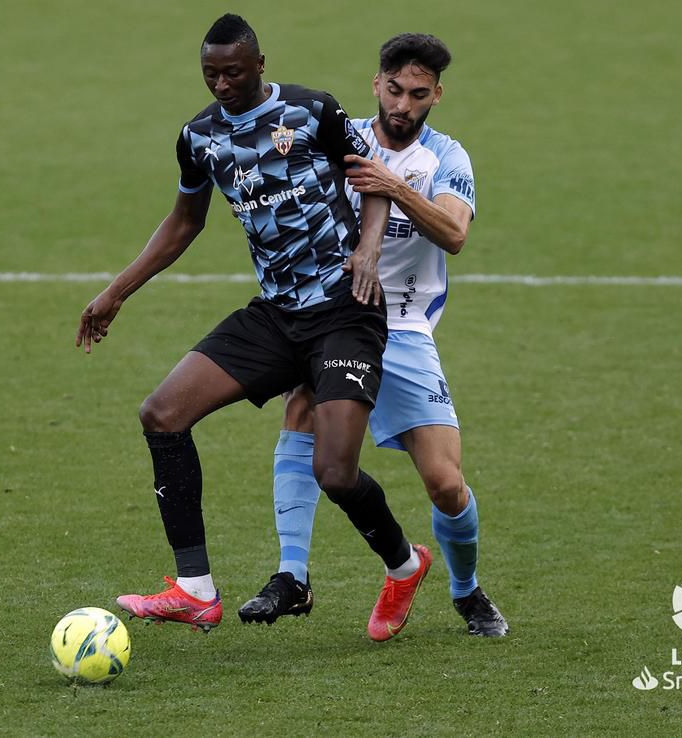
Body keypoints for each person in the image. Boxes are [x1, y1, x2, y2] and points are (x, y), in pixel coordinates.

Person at [76, 14, 431, 641]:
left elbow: (373, 178)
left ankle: (405, 564)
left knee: (336, 472)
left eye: (233, 72)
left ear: (259, 65)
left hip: (345, 311)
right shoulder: (199, 137)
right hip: (276, 314)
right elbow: (184, 223)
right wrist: (115, 293)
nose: (221, 84)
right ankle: (195, 590)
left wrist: (369, 250)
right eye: (210, 73)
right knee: (161, 413)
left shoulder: (311, 110)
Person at [238, 33, 509, 637]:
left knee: (444, 484)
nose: (403, 105)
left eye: (418, 94)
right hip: (331, 317)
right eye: (394, 89)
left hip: (404, 328)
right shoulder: (339, 136)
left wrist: (394, 187)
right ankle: (291, 574)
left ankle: (464, 591)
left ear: (437, 93)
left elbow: (455, 234)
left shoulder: (447, 157)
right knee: (302, 411)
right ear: (375, 84)